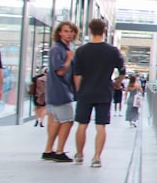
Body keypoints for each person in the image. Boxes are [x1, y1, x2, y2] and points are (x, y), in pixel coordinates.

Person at [71, 18, 126, 167]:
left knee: (82, 124)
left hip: (85, 91)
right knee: (101, 125)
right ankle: (96, 157)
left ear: (90, 30)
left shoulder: (81, 51)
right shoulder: (112, 51)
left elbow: (77, 74)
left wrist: (79, 90)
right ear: (104, 31)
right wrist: (117, 83)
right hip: (104, 91)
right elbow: (122, 71)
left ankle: (79, 154)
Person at [42, 21, 79, 162]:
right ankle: (59, 151)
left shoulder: (64, 48)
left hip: (60, 89)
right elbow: (60, 70)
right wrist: (69, 58)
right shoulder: (58, 49)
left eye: (71, 31)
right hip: (60, 90)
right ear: (59, 33)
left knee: (57, 121)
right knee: (68, 120)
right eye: (66, 31)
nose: (69, 34)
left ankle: (48, 150)